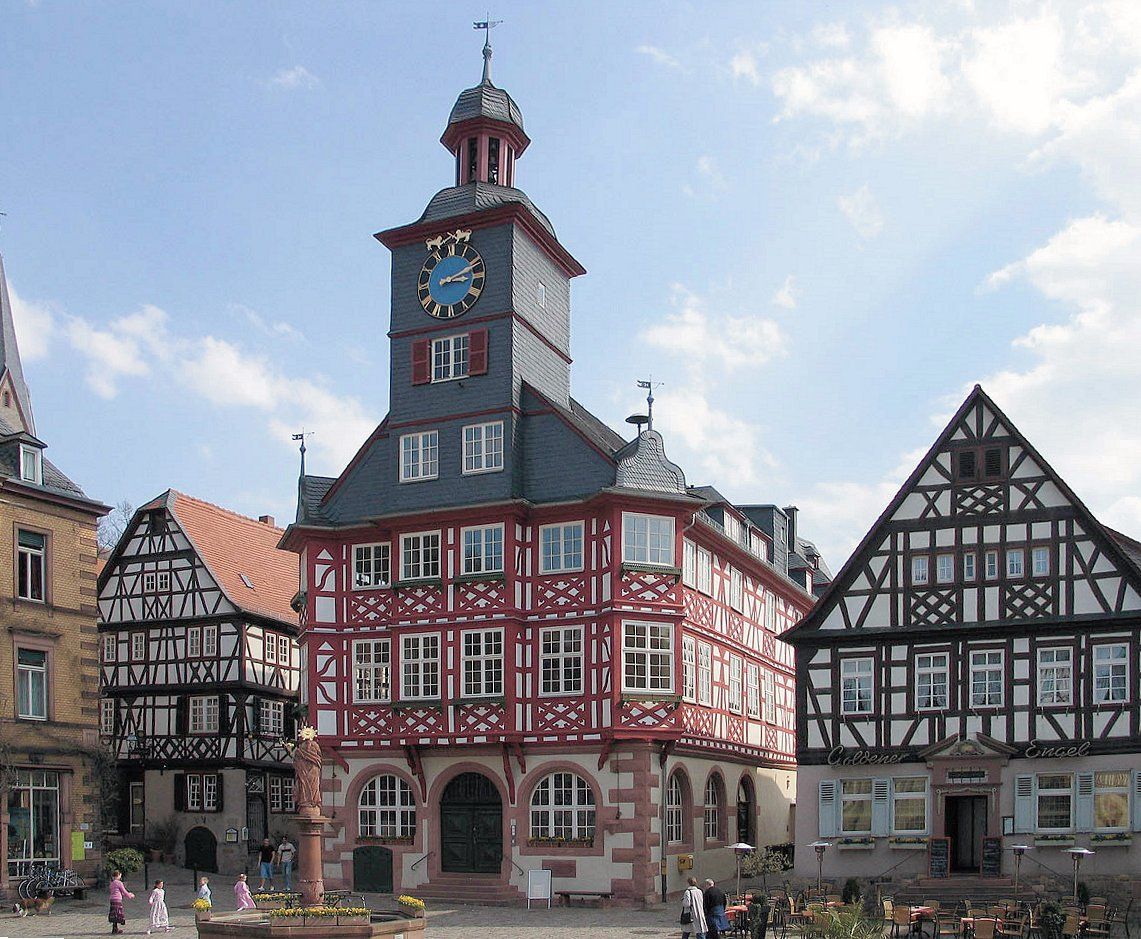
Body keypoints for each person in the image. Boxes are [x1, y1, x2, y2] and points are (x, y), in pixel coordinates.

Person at [108, 870, 134, 934]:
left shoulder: (111, 883)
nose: (120, 877)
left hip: (112, 900)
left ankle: (115, 928)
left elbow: (116, 891)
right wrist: (130, 895)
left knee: (114, 914)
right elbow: (124, 891)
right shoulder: (119, 883)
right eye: (120, 875)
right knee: (118, 913)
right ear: (118, 875)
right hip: (118, 900)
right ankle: (118, 926)